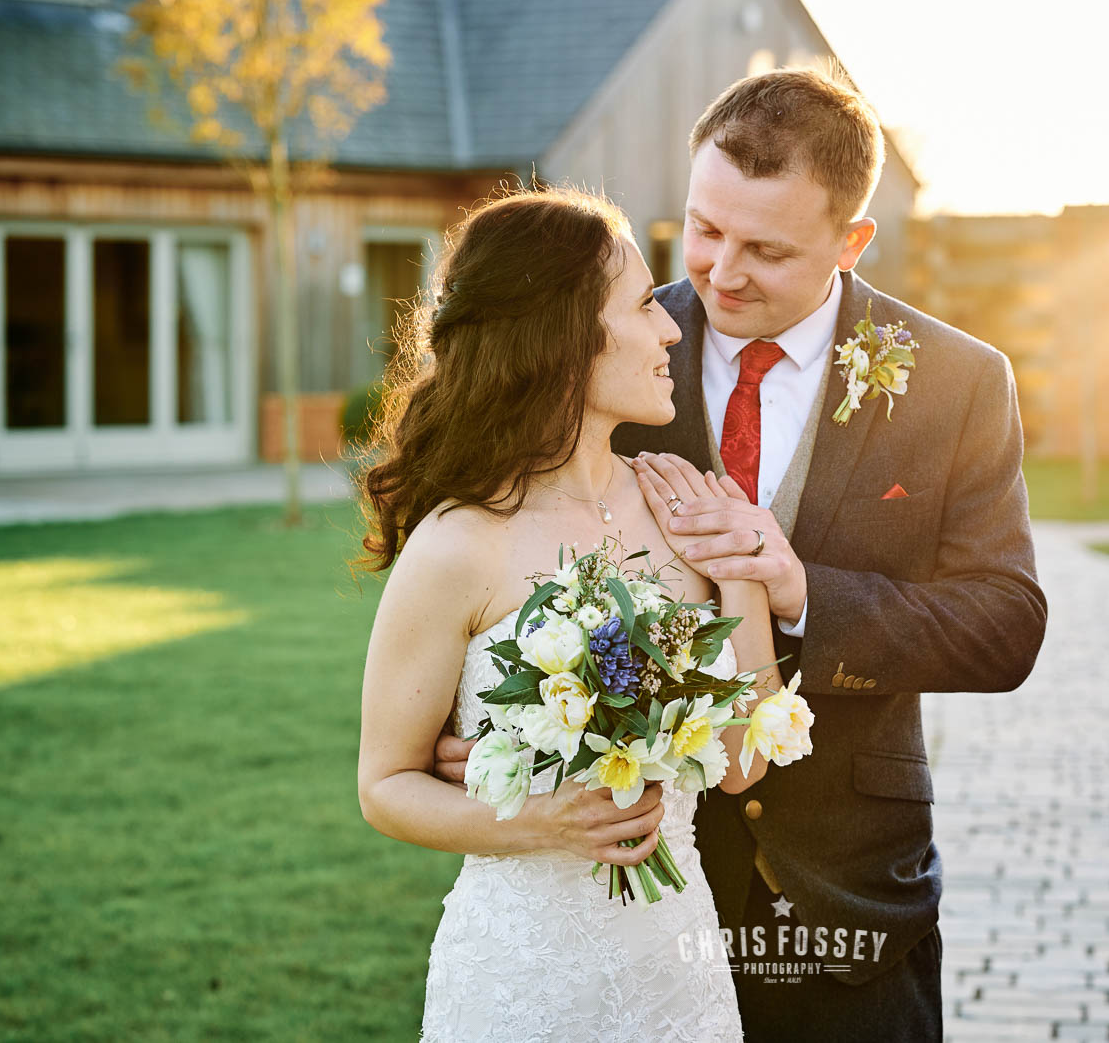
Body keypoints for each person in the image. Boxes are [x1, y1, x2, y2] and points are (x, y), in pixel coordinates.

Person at [433, 70, 1047, 1041]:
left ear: (851, 243)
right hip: (624, 891)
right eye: (703, 229)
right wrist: (493, 730)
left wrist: (795, 587)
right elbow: (487, 557)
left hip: (849, 893)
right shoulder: (606, 341)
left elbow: (1005, 626)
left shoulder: (955, 383)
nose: (719, 273)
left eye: (765, 248)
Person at [354, 187, 786, 1041]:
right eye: (641, 306)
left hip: (678, 971)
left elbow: (741, 766)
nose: (672, 329)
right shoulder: (458, 545)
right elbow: (385, 787)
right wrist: (533, 819)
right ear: (562, 339)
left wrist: (739, 567)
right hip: (520, 981)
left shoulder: (684, 507)